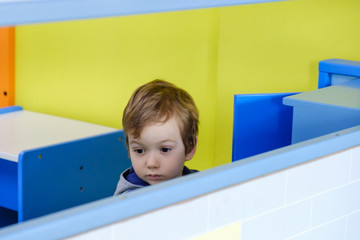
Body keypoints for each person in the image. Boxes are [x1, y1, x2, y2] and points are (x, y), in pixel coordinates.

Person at [114, 79, 199, 195]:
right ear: (129, 149)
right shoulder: (131, 200)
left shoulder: (199, 182)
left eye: (164, 149)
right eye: (139, 150)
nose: (152, 163)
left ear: (190, 148)